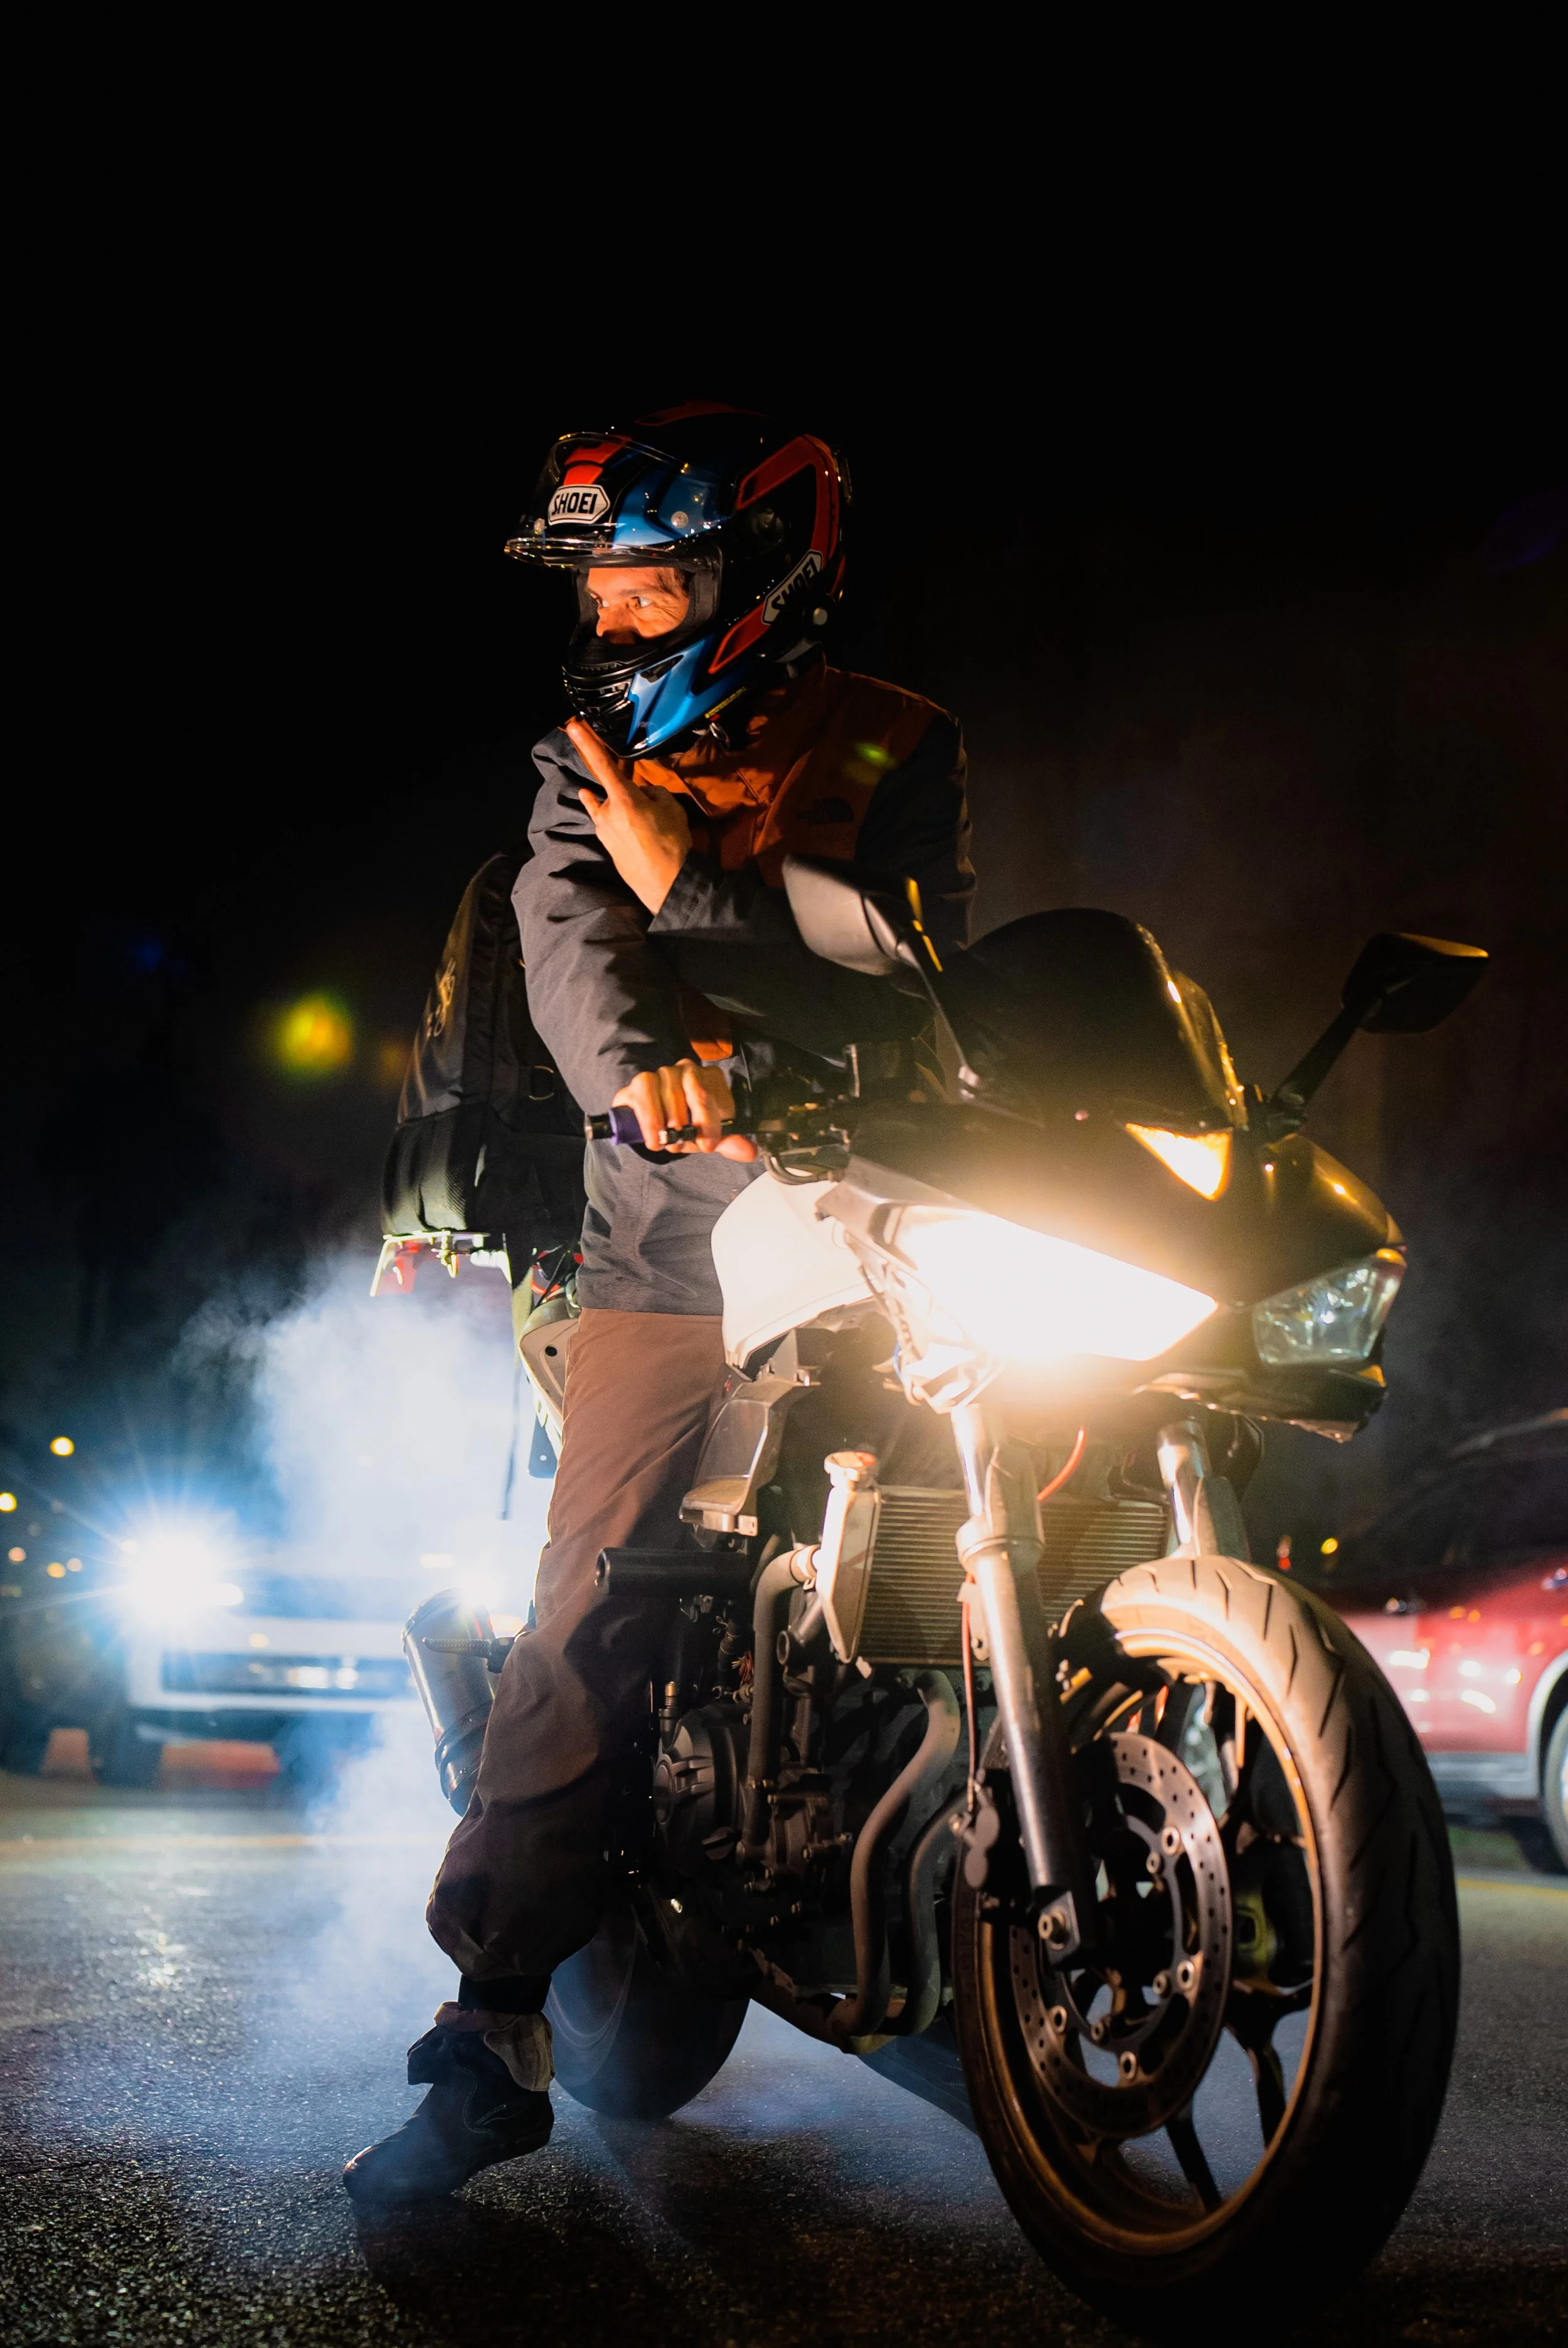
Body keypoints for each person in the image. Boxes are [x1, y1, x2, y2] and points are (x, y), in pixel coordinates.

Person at [344, 404, 973, 2203]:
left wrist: (689, 883)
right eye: (603, 590)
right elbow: (572, 953)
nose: (615, 619)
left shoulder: (896, 740)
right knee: (599, 1584)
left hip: (887, 1201)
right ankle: (495, 2016)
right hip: (673, 1237)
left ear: (761, 580)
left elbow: (909, 975)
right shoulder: (580, 764)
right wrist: (645, 1073)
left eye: (651, 586)